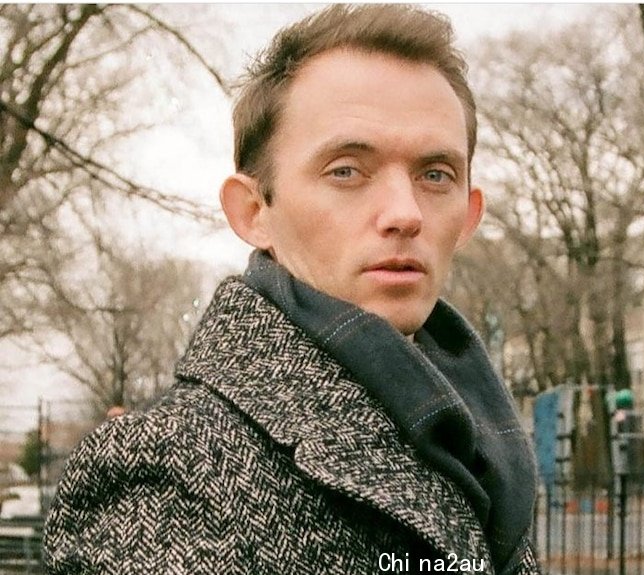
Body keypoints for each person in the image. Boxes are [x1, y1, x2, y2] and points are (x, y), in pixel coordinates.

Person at [43, 5, 538, 574]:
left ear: (469, 216)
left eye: (435, 175)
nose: (406, 214)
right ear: (254, 212)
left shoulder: (486, 450)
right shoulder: (171, 468)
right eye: (347, 171)